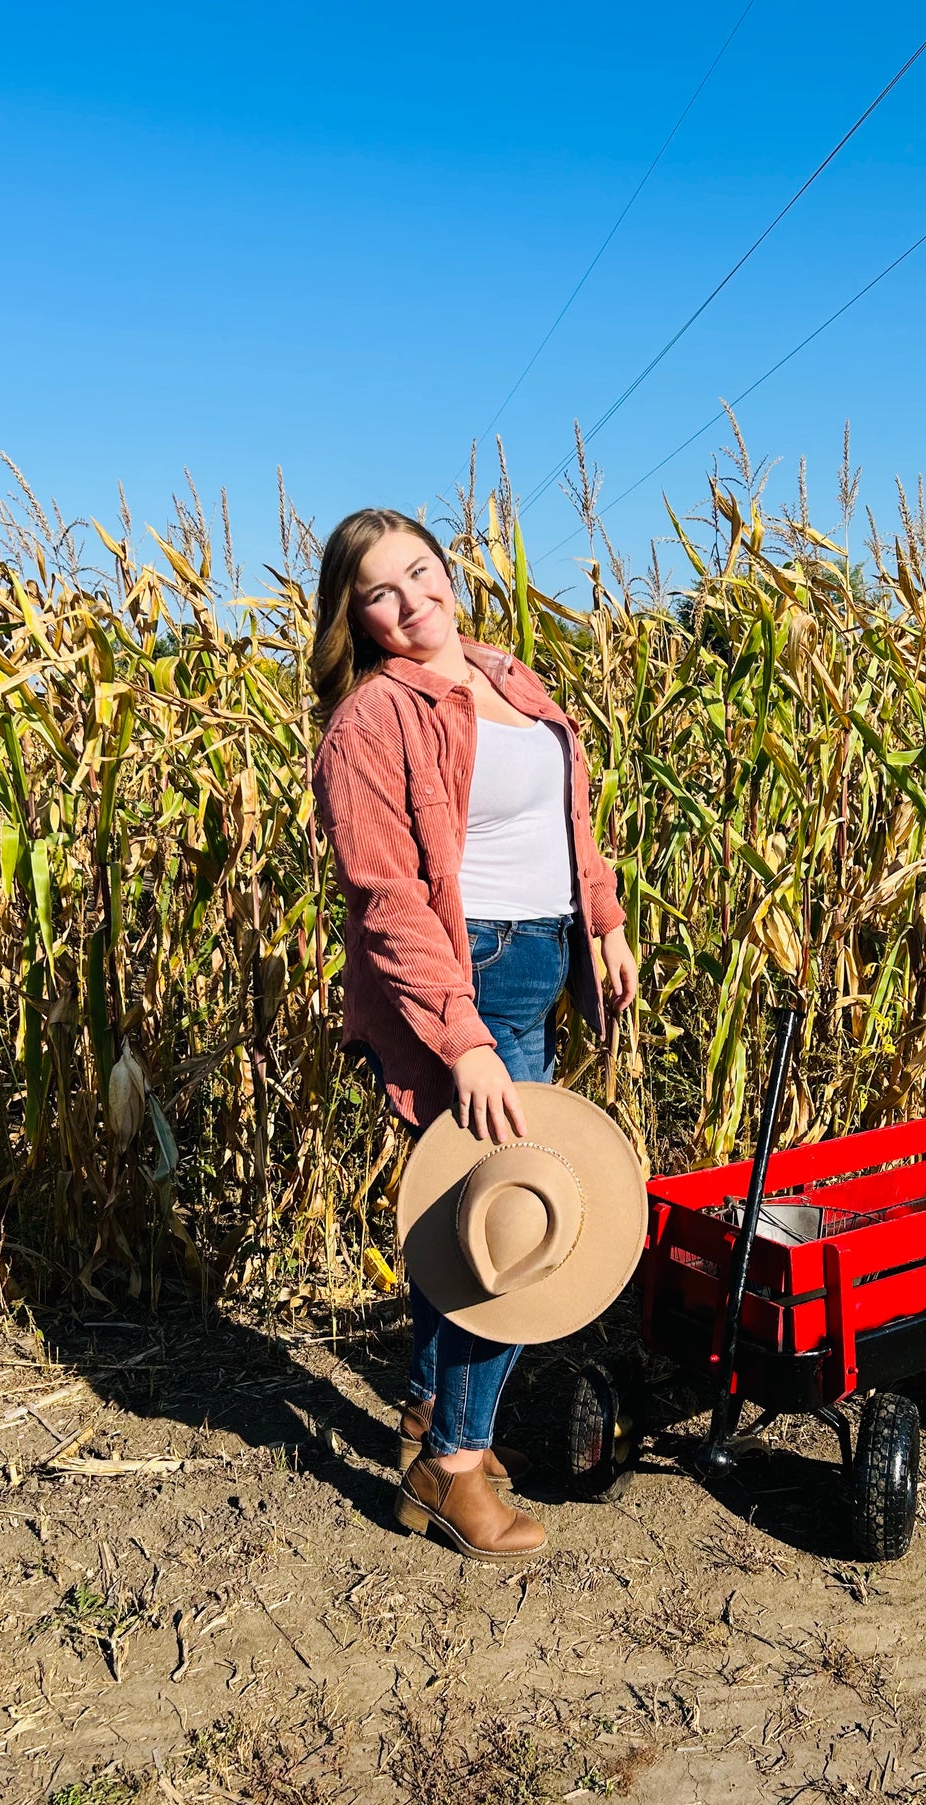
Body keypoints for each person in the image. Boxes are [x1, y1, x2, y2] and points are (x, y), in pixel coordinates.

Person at [310, 507, 639, 1561]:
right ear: (353, 618)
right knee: (515, 1230)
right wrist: (462, 1038)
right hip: (472, 979)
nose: (411, 602)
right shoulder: (370, 720)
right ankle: (454, 1465)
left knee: (474, 1211)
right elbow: (386, 901)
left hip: (540, 959)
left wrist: (603, 918)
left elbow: (567, 818)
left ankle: (424, 1422)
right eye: (380, 593)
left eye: (420, 573)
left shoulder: (507, 673)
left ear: (448, 571)